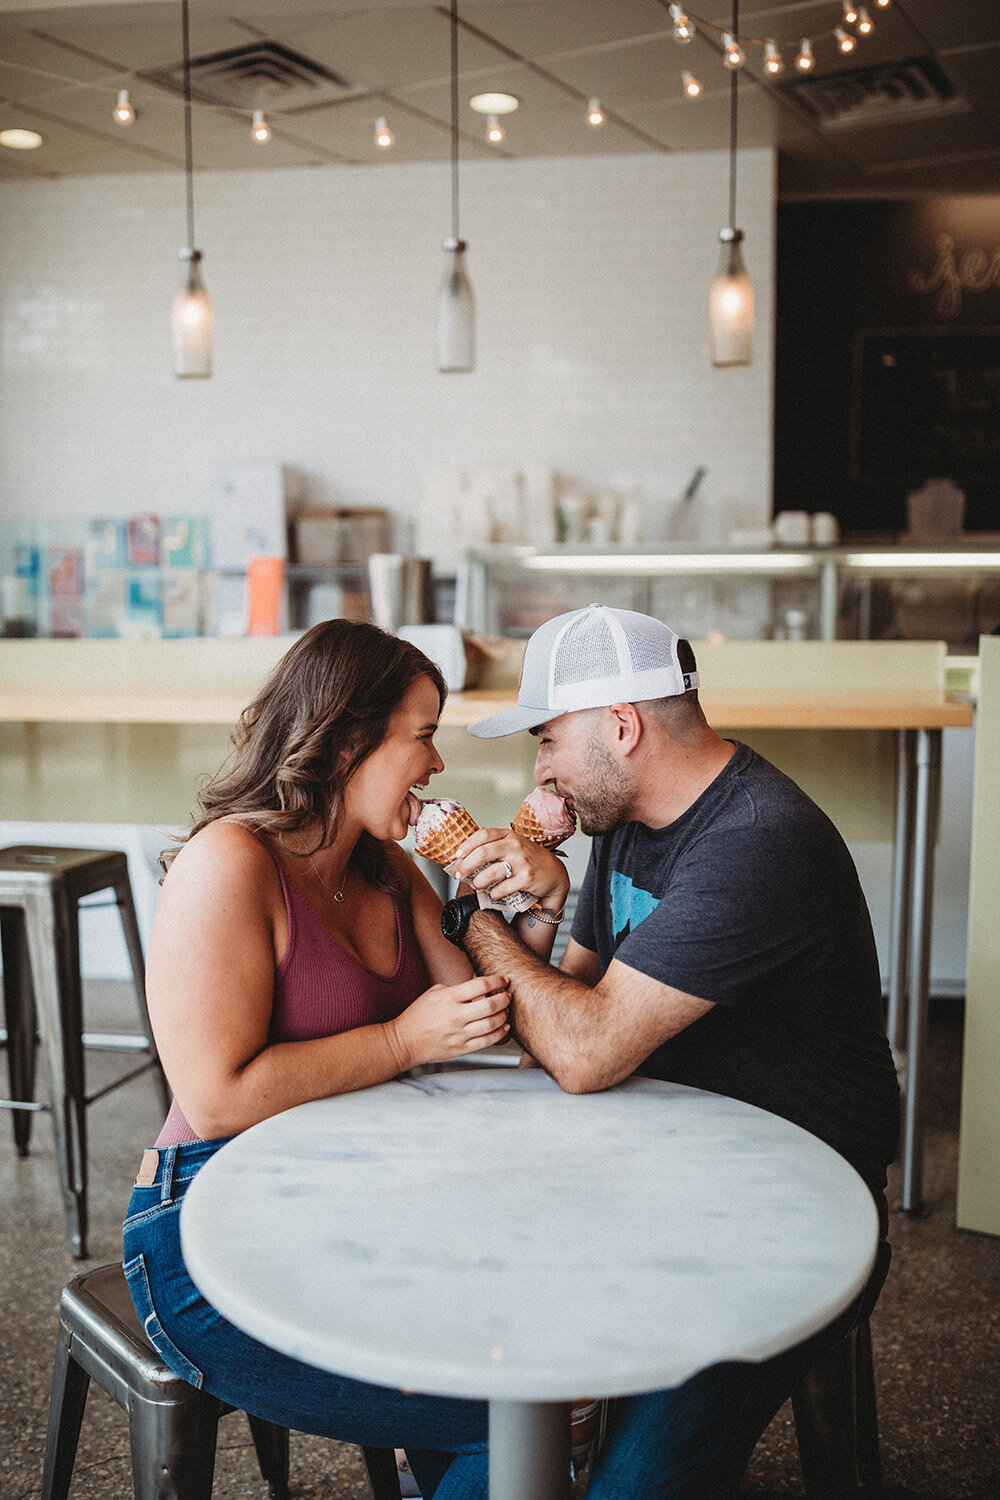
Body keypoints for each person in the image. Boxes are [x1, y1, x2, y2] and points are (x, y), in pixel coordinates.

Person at [443, 603, 901, 1500]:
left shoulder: (758, 841)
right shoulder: (622, 824)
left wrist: (479, 928)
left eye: (546, 740)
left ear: (622, 726)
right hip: (645, 1175)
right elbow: (555, 1034)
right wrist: (541, 906)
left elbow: (582, 1051)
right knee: (478, 1438)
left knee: (628, 1487)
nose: (537, 771)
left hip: (789, 1216)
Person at [122, 618, 566, 1500]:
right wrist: (402, 1041)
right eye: (425, 736)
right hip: (205, 1229)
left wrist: (541, 900)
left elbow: (494, 1020)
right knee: (520, 1416)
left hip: (359, 1202)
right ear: (352, 737)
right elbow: (215, 1098)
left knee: (537, 1358)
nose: (438, 768)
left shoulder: (388, 867)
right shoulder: (230, 865)